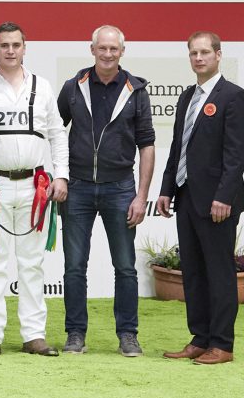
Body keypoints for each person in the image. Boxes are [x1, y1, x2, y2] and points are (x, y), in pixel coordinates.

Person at [0, 22, 69, 358]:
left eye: (16, 45)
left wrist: (62, 176)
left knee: (32, 263)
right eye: (4, 45)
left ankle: (34, 334)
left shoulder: (42, 87)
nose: (10, 50)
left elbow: (57, 134)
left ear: (25, 48)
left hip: (34, 185)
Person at [57, 25, 155, 356]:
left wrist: (141, 196)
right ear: (92, 49)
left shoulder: (136, 90)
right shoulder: (73, 87)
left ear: (122, 52)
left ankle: (128, 334)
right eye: (103, 48)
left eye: (114, 49)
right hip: (79, 188)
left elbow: (147, 145)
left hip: (121, 189)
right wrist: (59, 176)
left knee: (125, 267)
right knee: (74, 266)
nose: (108, 54)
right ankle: (75, 333)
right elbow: (55, 133)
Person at [157, 31, 244, 365]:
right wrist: (166, 189)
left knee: (219, 271)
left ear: (219, 55)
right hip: (187, 196)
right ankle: (200, 338)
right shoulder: (187, 97)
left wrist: (225, 196)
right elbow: (178, 148)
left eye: (205, 52)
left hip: (218, 202)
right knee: (193, 270)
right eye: (193, 53)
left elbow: (236, 156)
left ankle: (222, 344)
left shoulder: (233, 96)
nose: (198, 58)